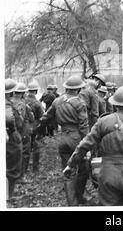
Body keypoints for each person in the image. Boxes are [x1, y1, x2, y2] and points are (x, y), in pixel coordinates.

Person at [63, 86, 123, 206]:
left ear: (115, 105)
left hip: (107, 174)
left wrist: (71, 164)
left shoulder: (102, 122)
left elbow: (85, 145)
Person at [40, 75, 89, 206]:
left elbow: (45, 117)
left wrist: (41, 129)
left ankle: (72, 204)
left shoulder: (57, 101)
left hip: (63, 139)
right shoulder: (79, 103)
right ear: (78, 89)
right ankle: (79, 196)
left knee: (68, 171)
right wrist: (87, 144)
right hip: (76, 138)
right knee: (84, 168)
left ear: (66, 88)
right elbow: (84, 126)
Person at [12, 83, 35, 181]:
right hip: (22, 132)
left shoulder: (10, 102)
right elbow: (23, 120)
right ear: (22, 93)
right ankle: (21, 176)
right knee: (25, 153)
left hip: (13, 132)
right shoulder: (22, 104)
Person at [6, 79, 23, 199]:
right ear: (10, 93)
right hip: (11, 139)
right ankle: (8, 196)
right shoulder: (6, 104)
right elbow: (8, 118)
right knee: (12, 167)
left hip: (10, 138)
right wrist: (12, 131)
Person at [25, 81, 45, 173]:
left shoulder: (23, 101)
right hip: (35, 126)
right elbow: (43, 117)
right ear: (36, 91)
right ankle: (35, 169)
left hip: (24, 127)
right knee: (36, 146)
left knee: (25, 147)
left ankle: (24, 168)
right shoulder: (37, 103)